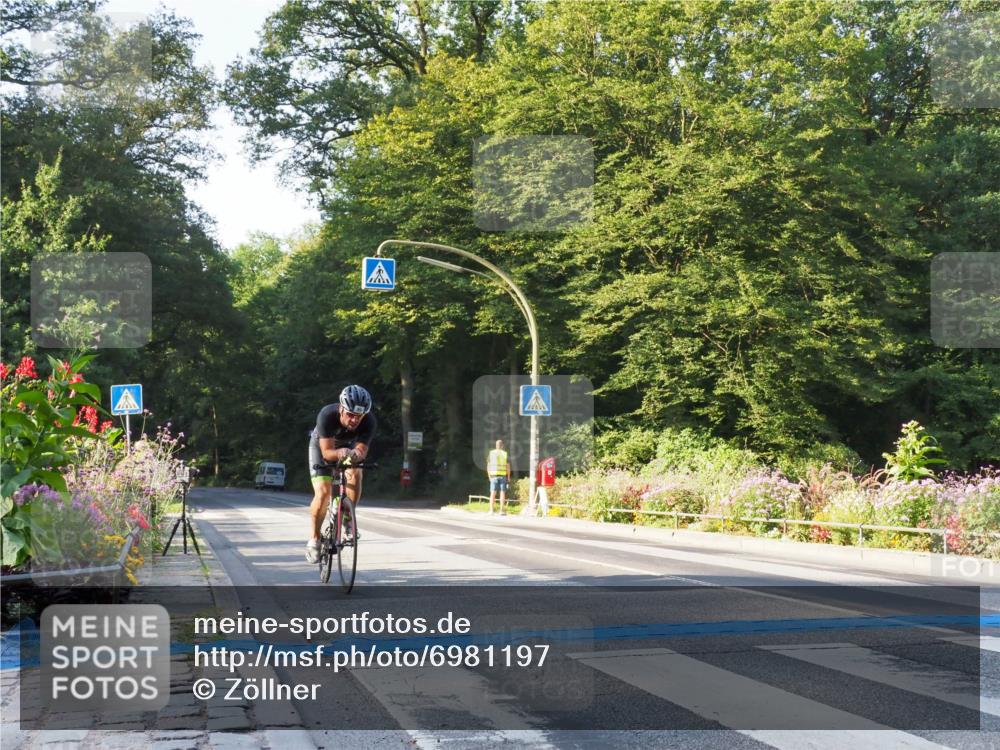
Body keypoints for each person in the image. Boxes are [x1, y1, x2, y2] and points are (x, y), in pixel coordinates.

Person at [305, 385, 377, 563]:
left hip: (348, 448)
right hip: (323, 447)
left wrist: (356, 454)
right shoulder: (327, 415)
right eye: (350, 414)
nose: (354, 420)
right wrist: (339, 453)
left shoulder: (369, 421)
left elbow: (361, 449)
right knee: (323, 493)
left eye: (358, 416)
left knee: (356, 471)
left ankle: (347, 517)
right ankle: (314, 540)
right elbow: (327, 452)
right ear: (341, 408)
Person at [486, 439, 510, 515]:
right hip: (503, 476)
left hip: (493, 477)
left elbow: (488, 466)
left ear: (496, 446)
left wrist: (489, 476)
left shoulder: (491, 453)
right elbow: (508, 467)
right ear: (502, 446)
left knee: (492, 493)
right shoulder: (505, 454)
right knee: (502, 493)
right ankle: (501, 511)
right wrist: (508, 477)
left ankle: (491, 510)